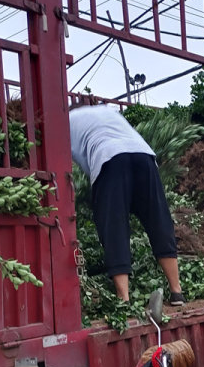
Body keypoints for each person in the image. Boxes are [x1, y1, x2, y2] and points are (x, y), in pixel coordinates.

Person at [69, 104, 185, 305]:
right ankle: (177, 292)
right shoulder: (108, 111)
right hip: (144, 156)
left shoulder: (65, 121)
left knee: (114, 227)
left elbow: (66, 165)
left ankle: (124, 298)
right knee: (159, 220)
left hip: (109, 158)